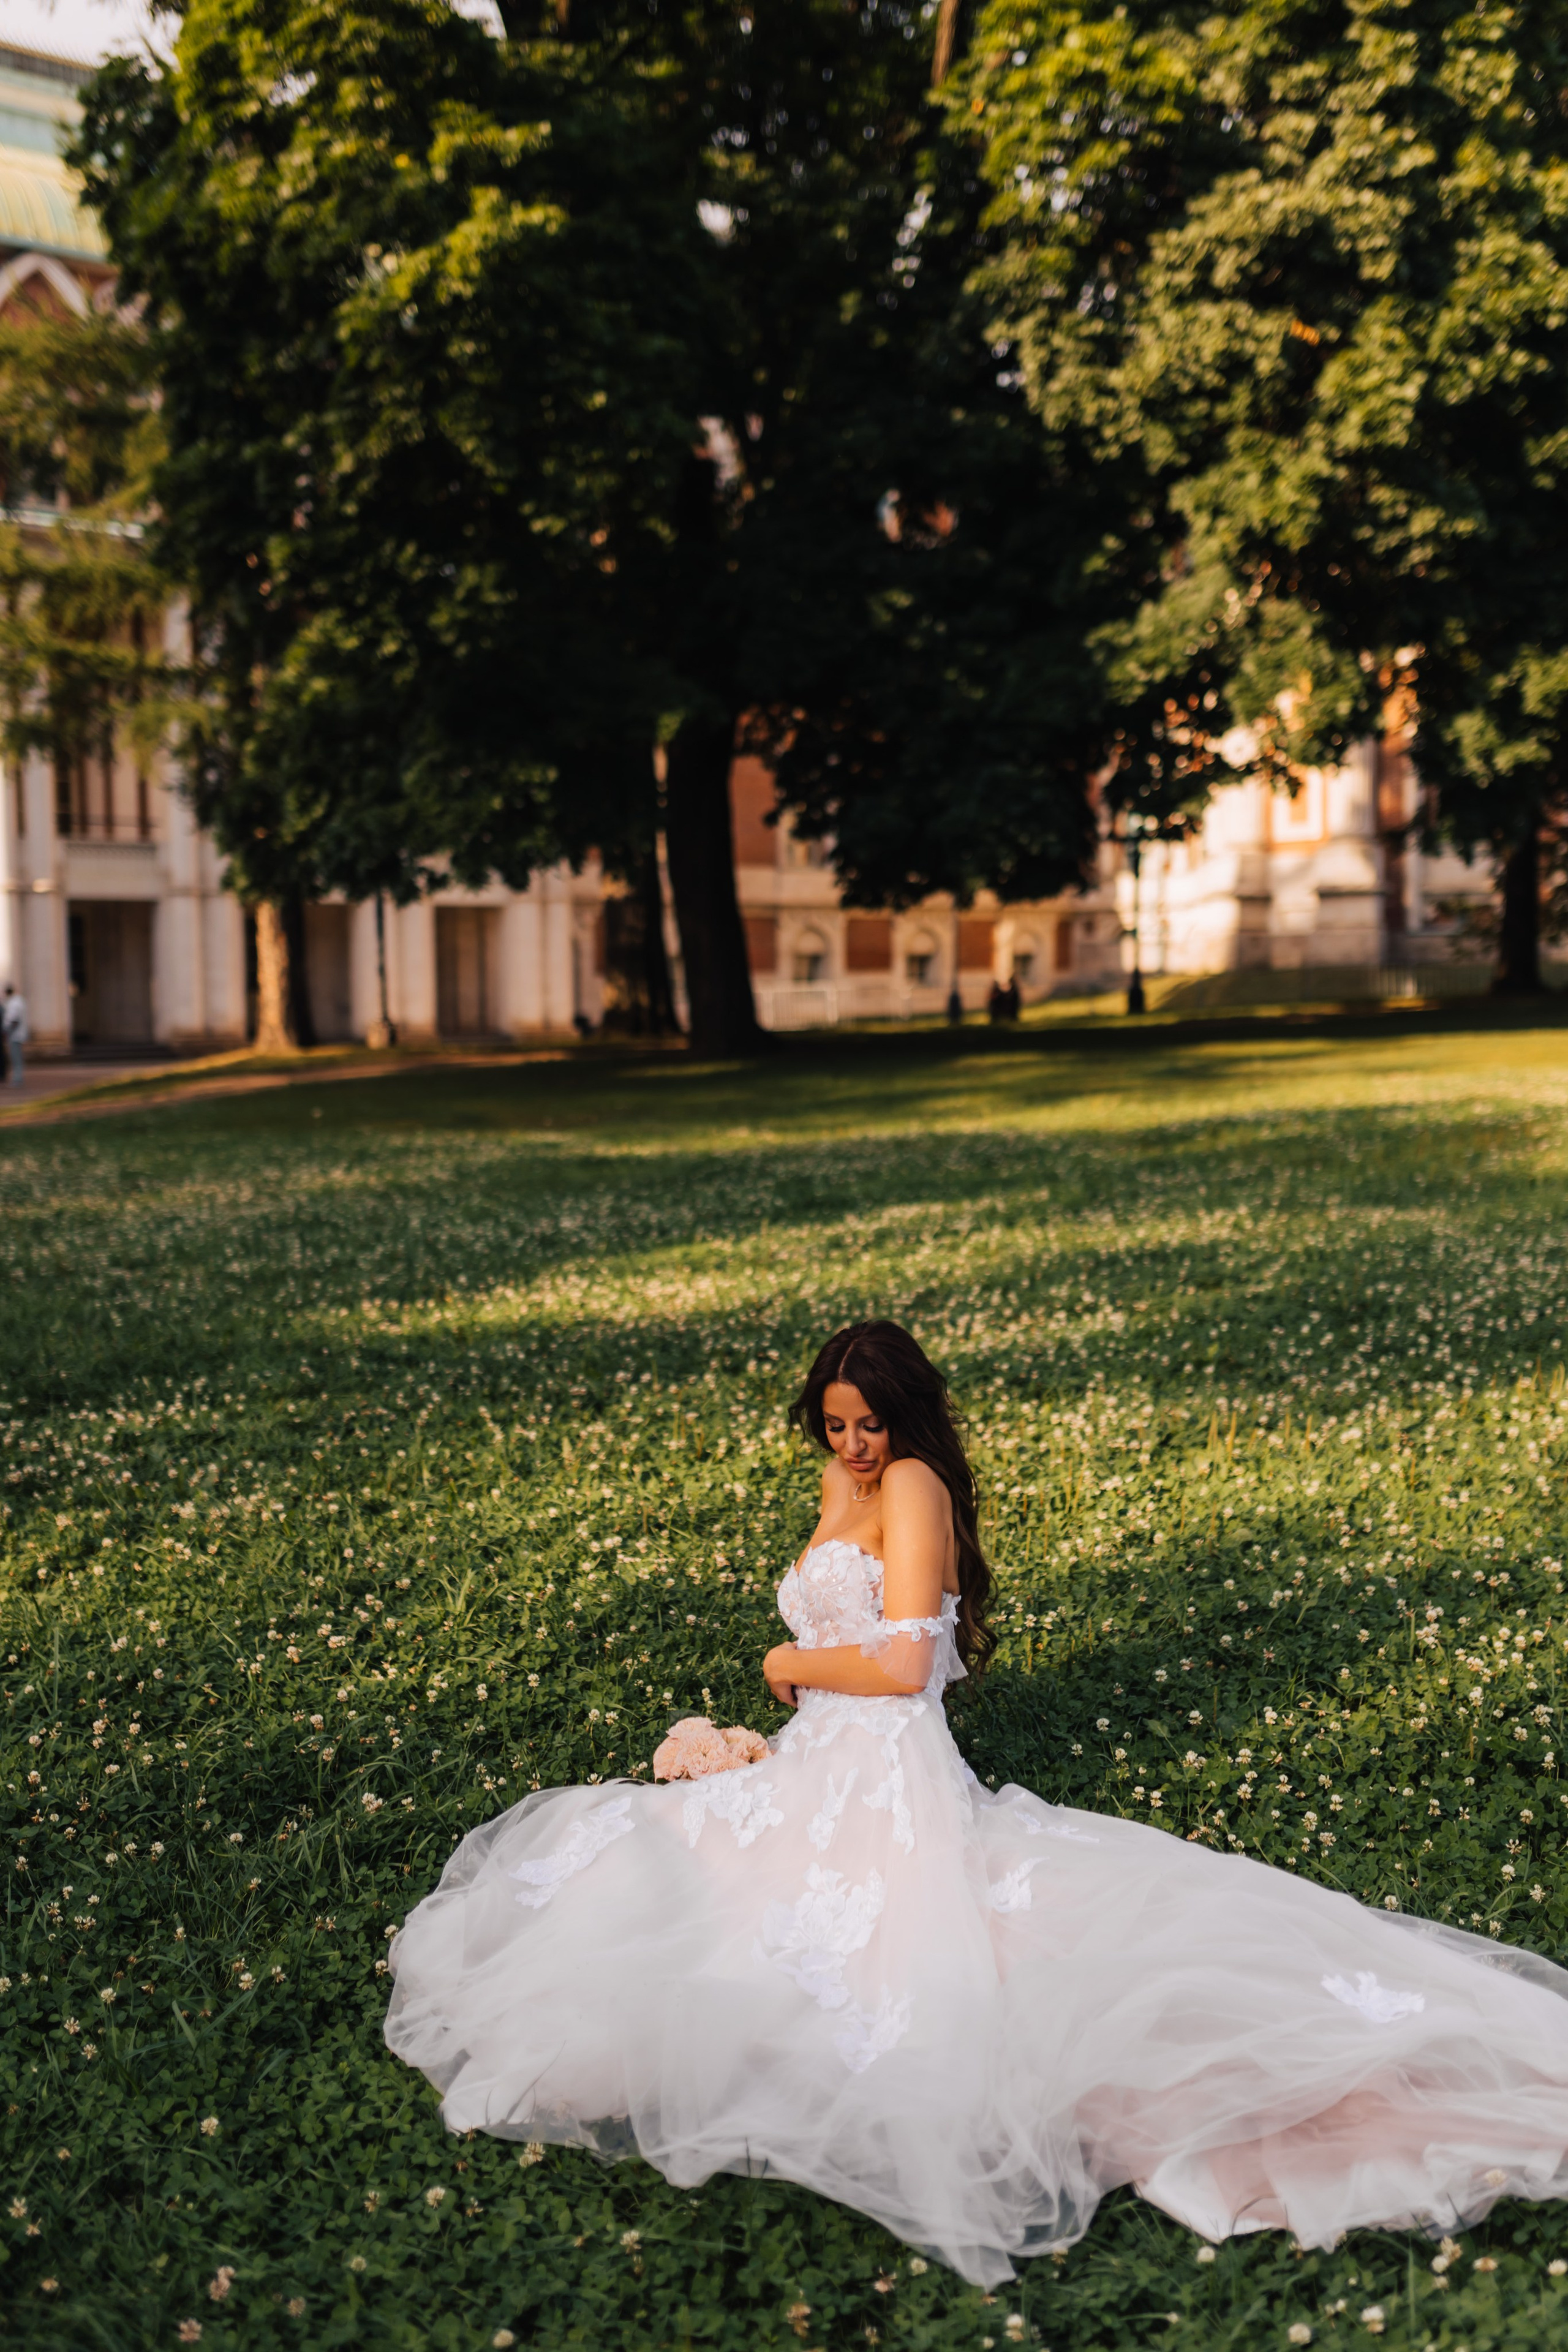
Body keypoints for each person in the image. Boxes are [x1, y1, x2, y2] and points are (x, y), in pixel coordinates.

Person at [385, 1321, 1568, 2285]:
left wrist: (784, 1669)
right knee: (627, 1861)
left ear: (908, 1416)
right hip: (818, 1757)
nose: (852, 1446)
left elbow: (902, 1667)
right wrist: (768, 1727)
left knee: (889, 1963)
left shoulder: (913, 1486)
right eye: (834, 1425)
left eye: (869, 1423)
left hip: (886, 1766)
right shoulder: (842, 1477)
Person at [1, 984, 27, 1085]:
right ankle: (18, 1078)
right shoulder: (19, 1001)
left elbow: (14, 1020)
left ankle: (17, 1079)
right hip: (17, 1034)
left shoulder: (14, 1003)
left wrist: (6, 1030)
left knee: (16, 1058)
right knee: (17, 1058)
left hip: (15, 1035)